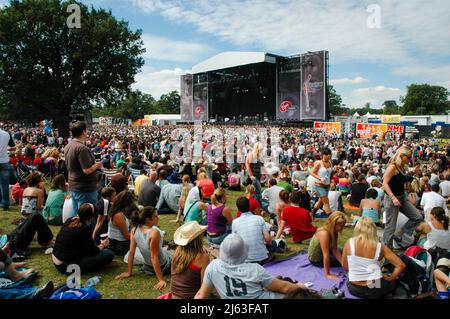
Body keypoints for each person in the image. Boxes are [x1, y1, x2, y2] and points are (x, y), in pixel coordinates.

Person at [195, 233, 307, 299]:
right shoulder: (255, 270)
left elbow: (201, 295)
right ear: (243, 252)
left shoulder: (213, 267)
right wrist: (300, 286)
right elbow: (285, 288)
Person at [342, 217, 405, 299]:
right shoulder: (380, 247)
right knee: (395, 283)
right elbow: (401, 265)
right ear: (373, 230)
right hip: (376, 288)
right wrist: (391, 278)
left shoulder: (349, 243)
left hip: (355, 289)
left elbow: (345, 266)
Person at [115, 207, 173, 290]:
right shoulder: (154, 232)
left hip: (148, 267)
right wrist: (161, 280)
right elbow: (154, 257)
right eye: (155, 216)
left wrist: (129, 272)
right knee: (174, 253)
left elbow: (131, 252)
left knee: (165, 250)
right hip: (163, 266)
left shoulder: (134, 230)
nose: (158, 218)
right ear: (147, 220)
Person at [52, 203, 114, 274]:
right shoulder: (84, 229)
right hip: (65, 265)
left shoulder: (70, 220)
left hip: (57, 259)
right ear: (91, 217)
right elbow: (92, 251)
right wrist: (103, 245)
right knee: (109, 254)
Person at [382, 146, 423, 249]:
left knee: (417, 217)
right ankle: (387, 250)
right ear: (402, 156)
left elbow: (401, 179)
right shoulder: (393, 167)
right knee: (390, 227)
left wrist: (413, 172)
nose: (410, 159)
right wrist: (393, 198)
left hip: (402, 198)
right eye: (408, 157)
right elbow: (385, 184)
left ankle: (399, 234)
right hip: (392, 199)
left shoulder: (402, 166)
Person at [64, 122, 102, 215]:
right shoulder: (81, 148)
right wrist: (97, 165)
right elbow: (87, 170)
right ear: (84, 132)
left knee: (77, 215)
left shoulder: (69, 145)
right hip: (85, 188)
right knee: (87, 216)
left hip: (74, 185)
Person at [170, 221, 210, 299]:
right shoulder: (203, 257)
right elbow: (204, 286)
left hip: (174, 295)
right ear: (199, 238)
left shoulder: (178, 251)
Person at [232, 197, 275, 264]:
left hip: (244, 259)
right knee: (274, 244)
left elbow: (235, 243)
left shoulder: (235, 222)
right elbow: (268, 240)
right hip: (262, 258)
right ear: (249, 206)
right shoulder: (259, 219)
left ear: (238, 209)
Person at [308, 211, 347, 280]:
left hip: (327, 250)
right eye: (341, 226)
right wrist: (328, 274)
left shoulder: (334, 232)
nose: (342, 228)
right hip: (317, 259)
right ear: (333, 224)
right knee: (346, 259)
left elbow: (335, 250)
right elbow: (326, 255)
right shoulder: (324, 234)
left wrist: (342, 264)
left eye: (343, 226)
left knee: (345, 253)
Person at [107, 190, 134, 256]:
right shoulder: (118, 215)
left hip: (119, 242)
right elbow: (127, 236)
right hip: (118, 245)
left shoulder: (117, 211)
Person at [310, 147, 333, 217]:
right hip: (319, 185)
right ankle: (332, 218)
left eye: (329, 154)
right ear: (323, 155)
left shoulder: (330, 162)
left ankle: (312, 214)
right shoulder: (319, 163)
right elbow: (312, 173)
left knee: (320, 202)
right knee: (326, 202)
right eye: (327, 154)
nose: (328, 156)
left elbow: (330, 174)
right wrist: (319, 178)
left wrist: (331, 181)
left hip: (327, 186)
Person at [0, 126, 15, 211]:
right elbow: (13, 146)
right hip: (4, 161)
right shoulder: (7, 134)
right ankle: (5, 203)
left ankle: (2, 202)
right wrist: (5, 148)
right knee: (5, 184)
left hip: (4, 160)